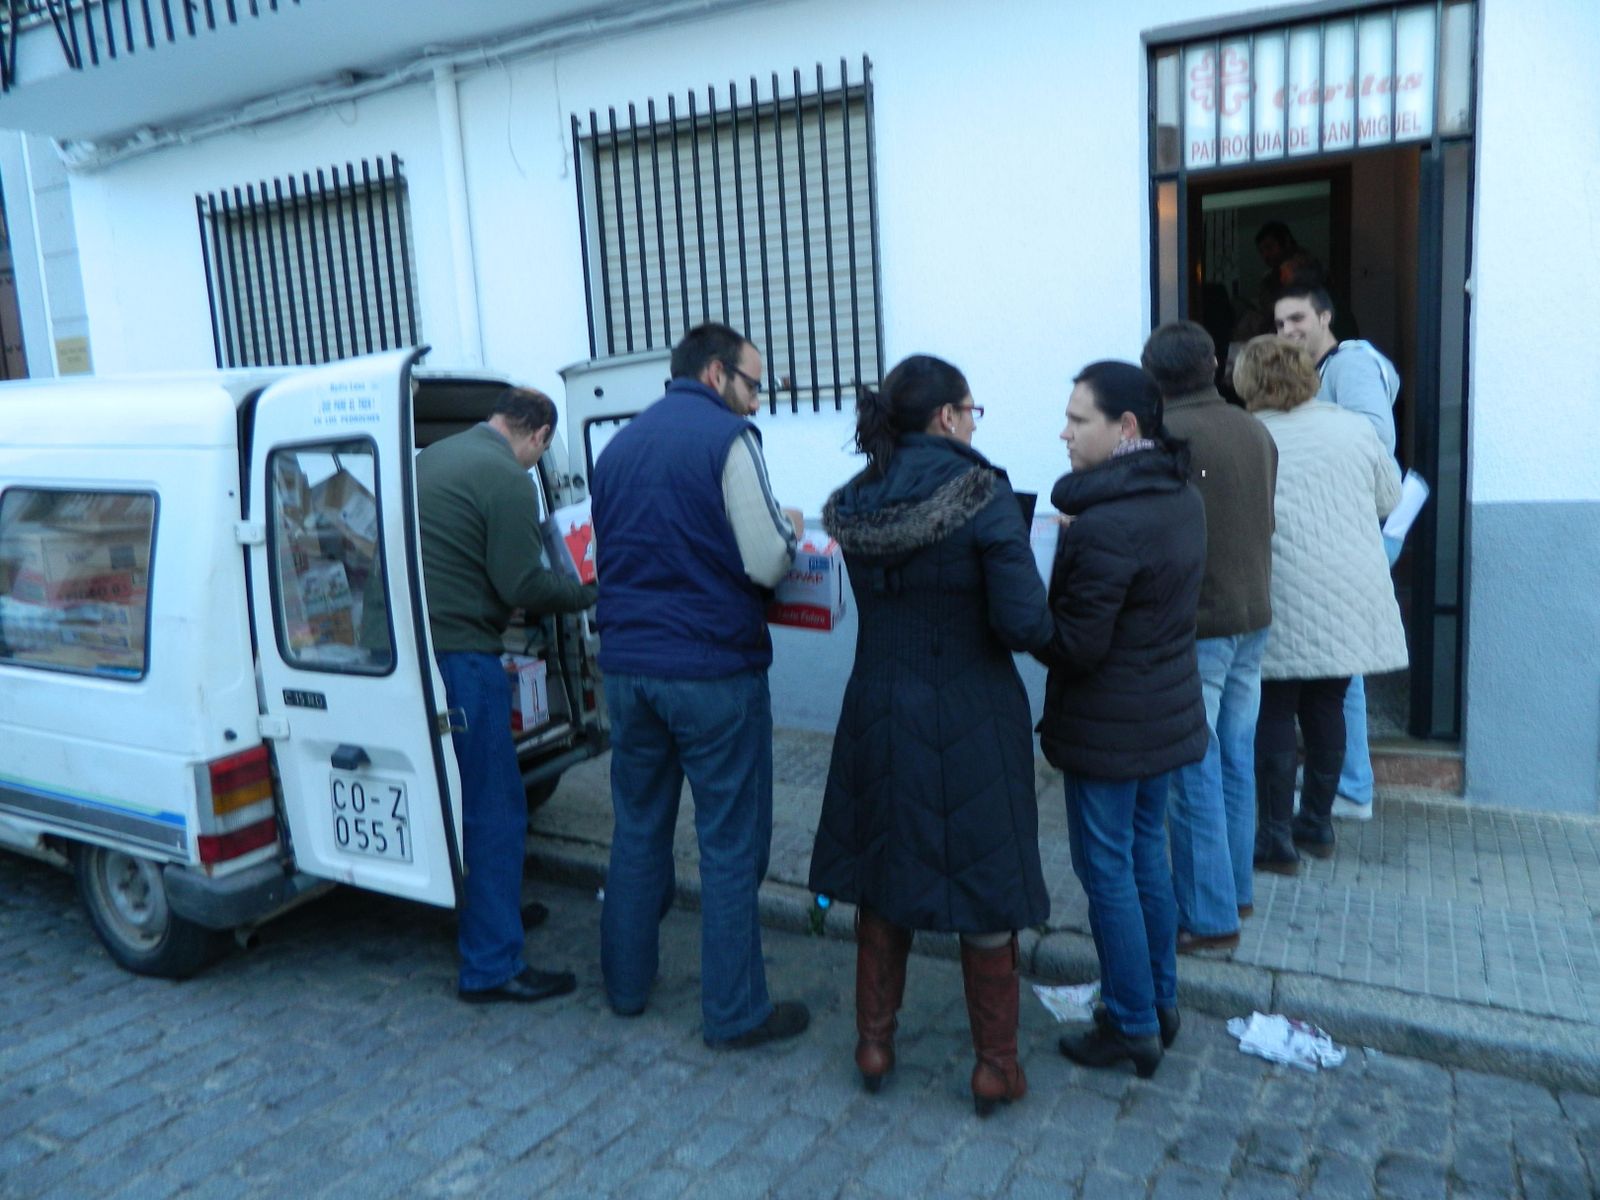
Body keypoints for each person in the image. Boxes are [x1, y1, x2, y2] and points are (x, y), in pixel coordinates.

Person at [809, 355, 1053, 1117]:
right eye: (971, 411)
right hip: (972, 712)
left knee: (886, 875)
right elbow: (1024, 622)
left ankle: (874, 1045)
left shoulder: (857, 499)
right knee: (985, 887)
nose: (974, 424)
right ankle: (995, 1067)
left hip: (879, 709)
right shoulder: (983, 494)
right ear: (947, 416)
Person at [590, 322, 809, 1050]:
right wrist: (790, 530)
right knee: (729, 843)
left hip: (628, 668)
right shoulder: (728, 439)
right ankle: (735, 1011)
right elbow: (767, 561)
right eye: (753, 384)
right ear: (717, 374)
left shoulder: (619, 446)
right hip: (711, 671)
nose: (757, 400)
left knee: (638, 828)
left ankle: (625, 986)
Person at [1035, 361, 1207, 1078]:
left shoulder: (1105, 524)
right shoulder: (1178, 494)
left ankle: (1131, 1022)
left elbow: (1077, 644)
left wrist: (1029, 607)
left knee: (1107, 868)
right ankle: (1160, 1003)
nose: (1065, 433)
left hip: (1110, 723)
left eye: (1079, 420)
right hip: (1162, 711)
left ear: (1126, 427)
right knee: (1143, 858)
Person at [417, 387, 598, 1004]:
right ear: (540, 436)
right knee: (495, 809)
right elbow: (522, 584)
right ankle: (491, 965)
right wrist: (590, 591)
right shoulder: (508, 478)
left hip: (418, 654)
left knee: (463, 802)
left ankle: (491, 915)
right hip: (465, 659)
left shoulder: (435, 457)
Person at [1234, 336, 1406, 869]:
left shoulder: (1248, 434)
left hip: (1282, 583)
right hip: (1351, 587)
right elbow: (1390, 498)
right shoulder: (1353, 428)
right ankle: (1317, 823)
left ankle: (1274, 838)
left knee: (1275, 707)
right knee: (1329, 703)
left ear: (1248, 381)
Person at [1141, 322, 1277, 953]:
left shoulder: (1164, 436)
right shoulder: (1254, 429)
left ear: (1151, 376)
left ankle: (1208, 914)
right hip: (1253, 614)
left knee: (1192, 767)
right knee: (1234, 756)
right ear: (1216, 364)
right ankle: (1234, 891)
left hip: (1199, 622)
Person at [1274, 279, 1403, 822]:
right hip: (1340, 531)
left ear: (1325, 317)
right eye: (1280, 323)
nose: (1288, 331)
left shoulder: (1349, 363)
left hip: (1349, 532)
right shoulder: (1325, 371)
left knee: (1339, 673)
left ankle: (1350, 787)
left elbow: (1376, 438)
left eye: (1298, 319)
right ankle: (1345, 784)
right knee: (1335, 673)